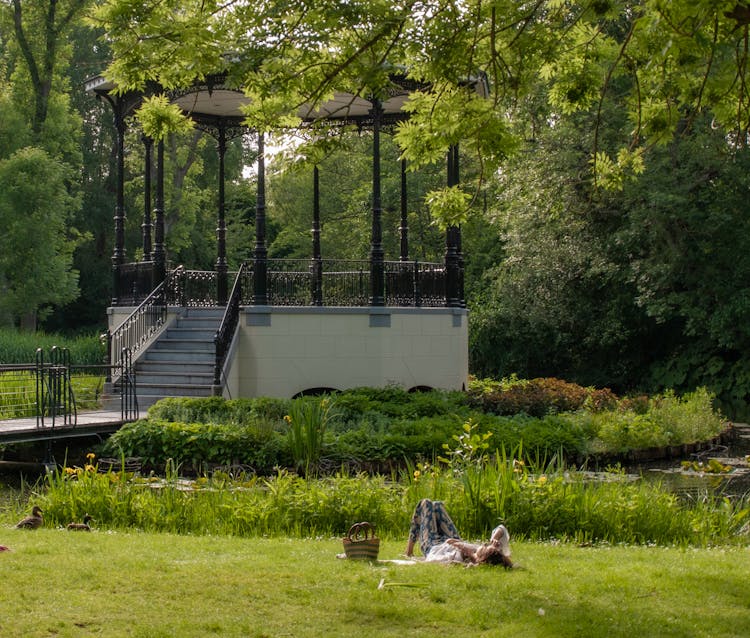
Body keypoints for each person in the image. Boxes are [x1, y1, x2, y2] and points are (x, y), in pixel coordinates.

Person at [405, 498, 513, 567]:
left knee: (425, 503)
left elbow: (432, 559)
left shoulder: (458, 557)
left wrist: (456, 545)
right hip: (452, 539)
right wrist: (494, 539)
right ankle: (408, 551)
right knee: (437, 505)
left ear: (481, 557)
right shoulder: (488, 554)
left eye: (485, 547)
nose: (484, 544)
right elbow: (501, 528)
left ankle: (408, 551)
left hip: (433, 545)